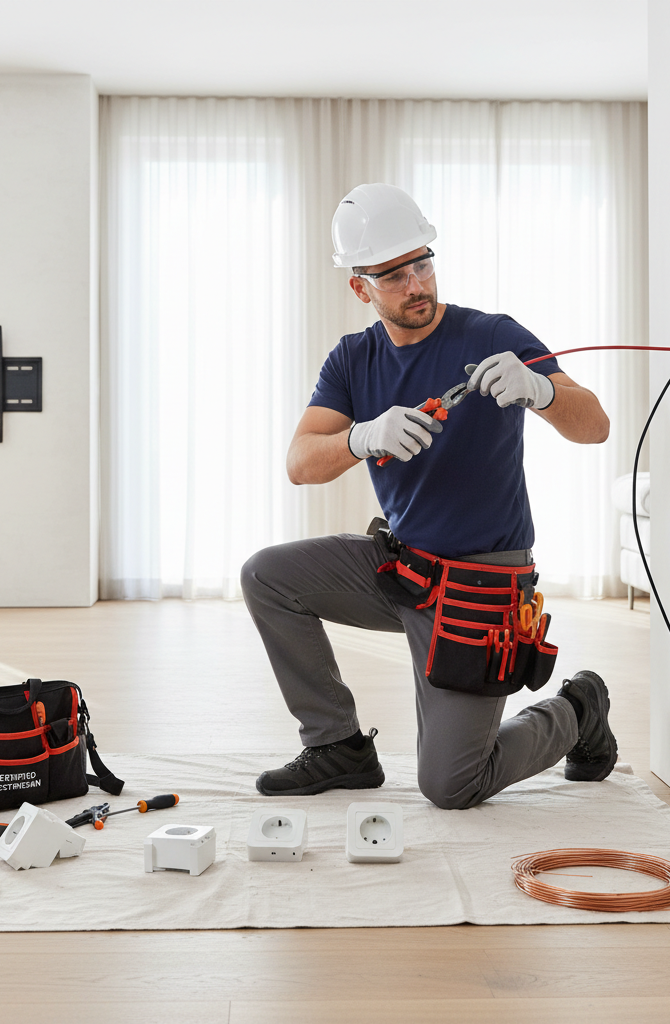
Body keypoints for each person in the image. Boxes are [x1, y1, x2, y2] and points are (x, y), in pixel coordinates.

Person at [241, 183, 617, 809]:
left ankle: (578, 709)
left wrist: (541, 391)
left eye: (423, 264)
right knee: (267, 577)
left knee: (451, 785)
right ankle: (338, 745)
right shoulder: (353, 359)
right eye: (394, 275)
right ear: (360, 287)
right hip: (404, 569)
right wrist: (362, 435)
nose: (417, 284)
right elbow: (301, 463)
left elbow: (596, 425)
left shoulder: (493, 335)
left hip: (482, 583)